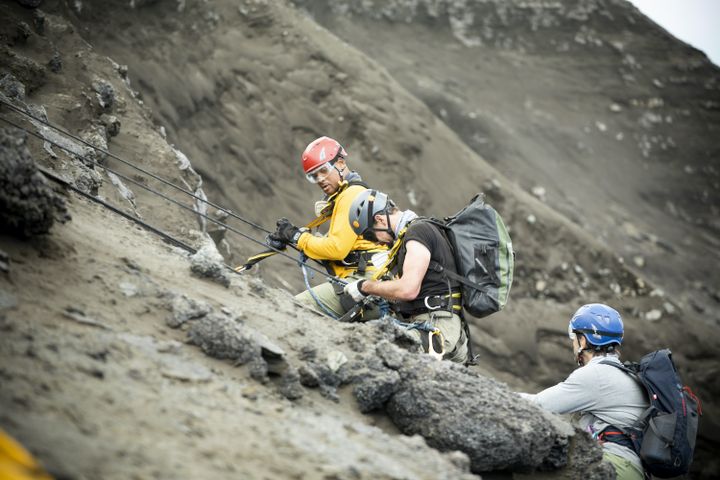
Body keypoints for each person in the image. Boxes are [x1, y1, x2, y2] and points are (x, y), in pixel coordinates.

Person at [517, 303, 649, 480]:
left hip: (615, 466)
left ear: (583, 340)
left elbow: (540, 405)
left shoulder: (596, 375)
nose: (573, 343)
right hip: (631, 469)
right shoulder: (624, 373)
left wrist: (497, 393)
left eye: (574, 337)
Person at [343, 189, 468, 363]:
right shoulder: (415, 232)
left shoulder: (417, 232)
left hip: (436, 325)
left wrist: (365, 287)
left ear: (379, 219)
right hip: (434, 321)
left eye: (370, 235)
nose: (376, 242)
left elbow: (408, 289)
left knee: (374, 352)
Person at [268, 136, 386, 318]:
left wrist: (297, 237)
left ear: (340, 163)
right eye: (313, 176)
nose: (320, 179)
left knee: (291, 309)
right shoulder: (352, 193)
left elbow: (336, 249)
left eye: (323, 171)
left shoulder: (351, 195)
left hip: (362, 283)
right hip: (370, 282)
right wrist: (298, 238)